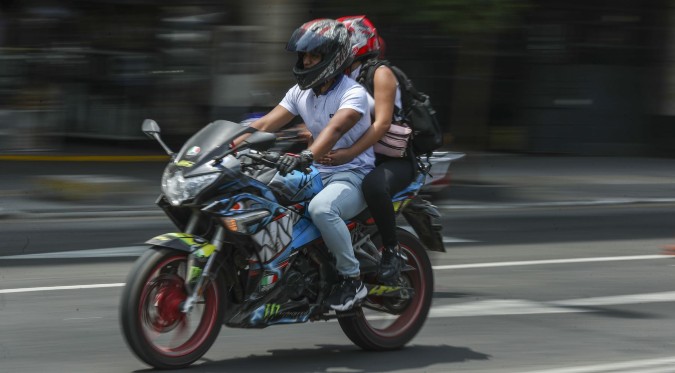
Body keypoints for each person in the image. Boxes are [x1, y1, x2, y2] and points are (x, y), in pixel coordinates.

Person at [242, 18, 374, 311]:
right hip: (315, 172)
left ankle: (352, 280)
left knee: (321, 209)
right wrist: (228, 144)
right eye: (304, 55)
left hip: (351, 175)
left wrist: (307, 155)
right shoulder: (300, 92)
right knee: (261, 193)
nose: (306, 61)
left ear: (333, 58)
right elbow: (265, 123)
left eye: (314, 55)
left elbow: (335, 129)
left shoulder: (353, 94)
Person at [320, 15, 416, 281]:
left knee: (373, 186)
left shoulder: (381, 74)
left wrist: (348, 154)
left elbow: (382, 123)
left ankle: (392, 251)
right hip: (361, 156)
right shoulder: (338, 76)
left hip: (390, 159)